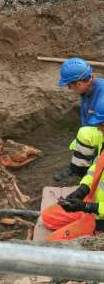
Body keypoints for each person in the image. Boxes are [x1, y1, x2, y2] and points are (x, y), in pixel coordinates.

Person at [42, 101, 104, 240]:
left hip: (100, 220)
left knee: (51, 243)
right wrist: (83, 189)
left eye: (102, 125)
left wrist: (88, 207)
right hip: (94, 205)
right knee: (48, 218)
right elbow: (96, 167)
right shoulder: (103, 139)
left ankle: (94, 233)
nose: (99, 129)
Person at [54, 57, 104, 182]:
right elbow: (87, 121)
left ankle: (90, 171)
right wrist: (82, 140)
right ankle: (78, 170)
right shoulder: (88, 91)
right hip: (99, 128)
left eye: (69, 85)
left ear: (79, 84)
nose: (69, 89)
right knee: (83, 135)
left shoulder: (101, 99)